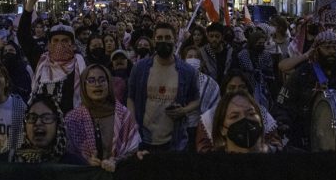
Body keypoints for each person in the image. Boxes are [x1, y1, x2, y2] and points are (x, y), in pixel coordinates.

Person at [278, 29, 336, 150]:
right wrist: (284, 127)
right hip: (304, 140)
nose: (332, 52)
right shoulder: (302, 73)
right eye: (327, 48)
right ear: (316, 50)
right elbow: (283, 107)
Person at [127, 22, 201, 152]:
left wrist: (183, 111)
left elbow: (196, 99)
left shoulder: (187, 71)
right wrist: (133, 125)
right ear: (154, 40)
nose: (163, 41)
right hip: (144, 139)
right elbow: (131, 98)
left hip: (175, 141)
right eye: (159, 38)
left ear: (175, 40)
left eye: (167, 38)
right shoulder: (140, 68)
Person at [20, 0, 86, 114]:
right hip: (43, 126)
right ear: (49, 45)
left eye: (65, 41)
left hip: (71, 125)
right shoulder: (41, 61)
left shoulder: (80, 66)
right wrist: (30, 3)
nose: (60, 45)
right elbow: (23, 36)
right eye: (55, 41)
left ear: (72, 45)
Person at [64, 64, 141, 170]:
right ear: (83, 86)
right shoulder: (73, 119)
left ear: (109, 84)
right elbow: (67, 154)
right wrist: (85, 161)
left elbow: (133, 149)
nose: (97, 84)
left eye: (102, 80)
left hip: (119, 176)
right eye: (91, 80)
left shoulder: (123, 115)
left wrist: (116, 161)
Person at [15, 94, 81, 163]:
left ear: (58, 125)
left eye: (46, 118)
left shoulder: (74, 164)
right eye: (32, 118)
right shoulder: (11, 161)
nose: (38, 123)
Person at [183, 46, 221, 150]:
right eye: (190, 56)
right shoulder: (176, 81)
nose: (193, 59)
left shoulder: (210, 84)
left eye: (196, 57)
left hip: (202, 128)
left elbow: (215, 108)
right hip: (180, 128)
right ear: (183, 60)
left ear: (202, 62)